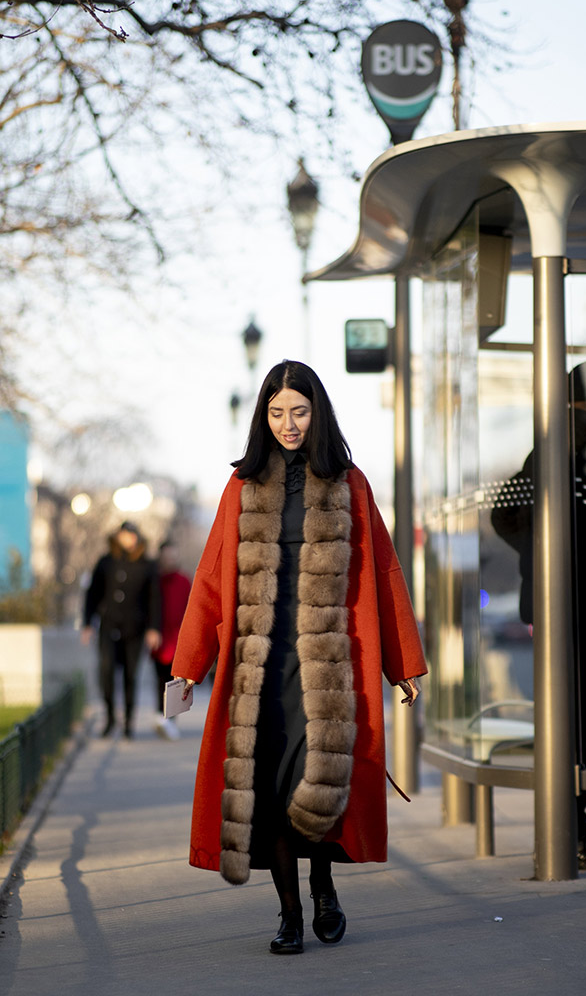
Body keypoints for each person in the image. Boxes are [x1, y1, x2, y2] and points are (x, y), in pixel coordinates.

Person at [172, 360, 427, 955]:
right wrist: (188, 665)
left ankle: (323, 884)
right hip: (260, 667)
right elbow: (210, 579)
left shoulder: (349, 482)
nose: (289, 424)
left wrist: (404, 664)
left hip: (331, 665)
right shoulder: (242, 486)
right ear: (264, 416)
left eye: (300, 411)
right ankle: (288, 912)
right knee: (271, 785)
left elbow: (383, 573)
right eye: (277, 412)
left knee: (322, 781)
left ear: (318, 414)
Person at [491, 361, 586, 871]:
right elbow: (507, 514)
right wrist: (548, 563)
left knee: (579, 723)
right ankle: (568, 835)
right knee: (574, 725)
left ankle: (571, 832)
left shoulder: (577, 452)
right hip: (575, 610)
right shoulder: (563, 452)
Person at [82, 520, 161, 738]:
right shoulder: (106, 562)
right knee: (106, 672)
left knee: (130, 675)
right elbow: (92, 594)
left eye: (132, 535)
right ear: (118, 536)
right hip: (108, 627)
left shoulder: (147, 564)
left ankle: (128, 721)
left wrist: (154, 628)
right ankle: (109, 718)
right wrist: (87, 623)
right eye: (124, 535)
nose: (128, 539)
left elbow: (154, 599)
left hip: (134, 629)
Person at [151, 539, 192, 741]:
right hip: (159, 639)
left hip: (178, 639)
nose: (170, 560)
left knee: (177, 682)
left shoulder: (184, 581)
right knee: (160, 679)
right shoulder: (155, 581)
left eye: (173, 556)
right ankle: (161, 716)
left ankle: (171, 720)